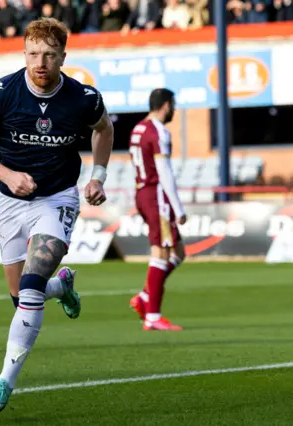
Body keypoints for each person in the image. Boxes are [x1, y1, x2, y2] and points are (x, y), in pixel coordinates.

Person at [0, 17, 114, 414]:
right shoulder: (2, 94)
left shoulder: (83, 98)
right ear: (23, 53)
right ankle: (61, 288)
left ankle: (2, 385)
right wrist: (8, 174)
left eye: (49, 54)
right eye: (33, 53)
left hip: (58, 198)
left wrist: (97, 176)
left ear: (63, 56)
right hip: (11, 202)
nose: (40, 62)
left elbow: (104, 129)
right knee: (21, 297)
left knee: (29, 287)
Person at [128, 88, 186, 331]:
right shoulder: (159, 131)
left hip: (142, 191)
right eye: (172, 105)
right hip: (156, 193)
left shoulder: (138, 128)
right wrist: (178, 206)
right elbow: (164, 172)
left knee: (179, 252)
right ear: (165, 105)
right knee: (161, 253)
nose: (173, 110)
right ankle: (152, 315)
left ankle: (144, 296)